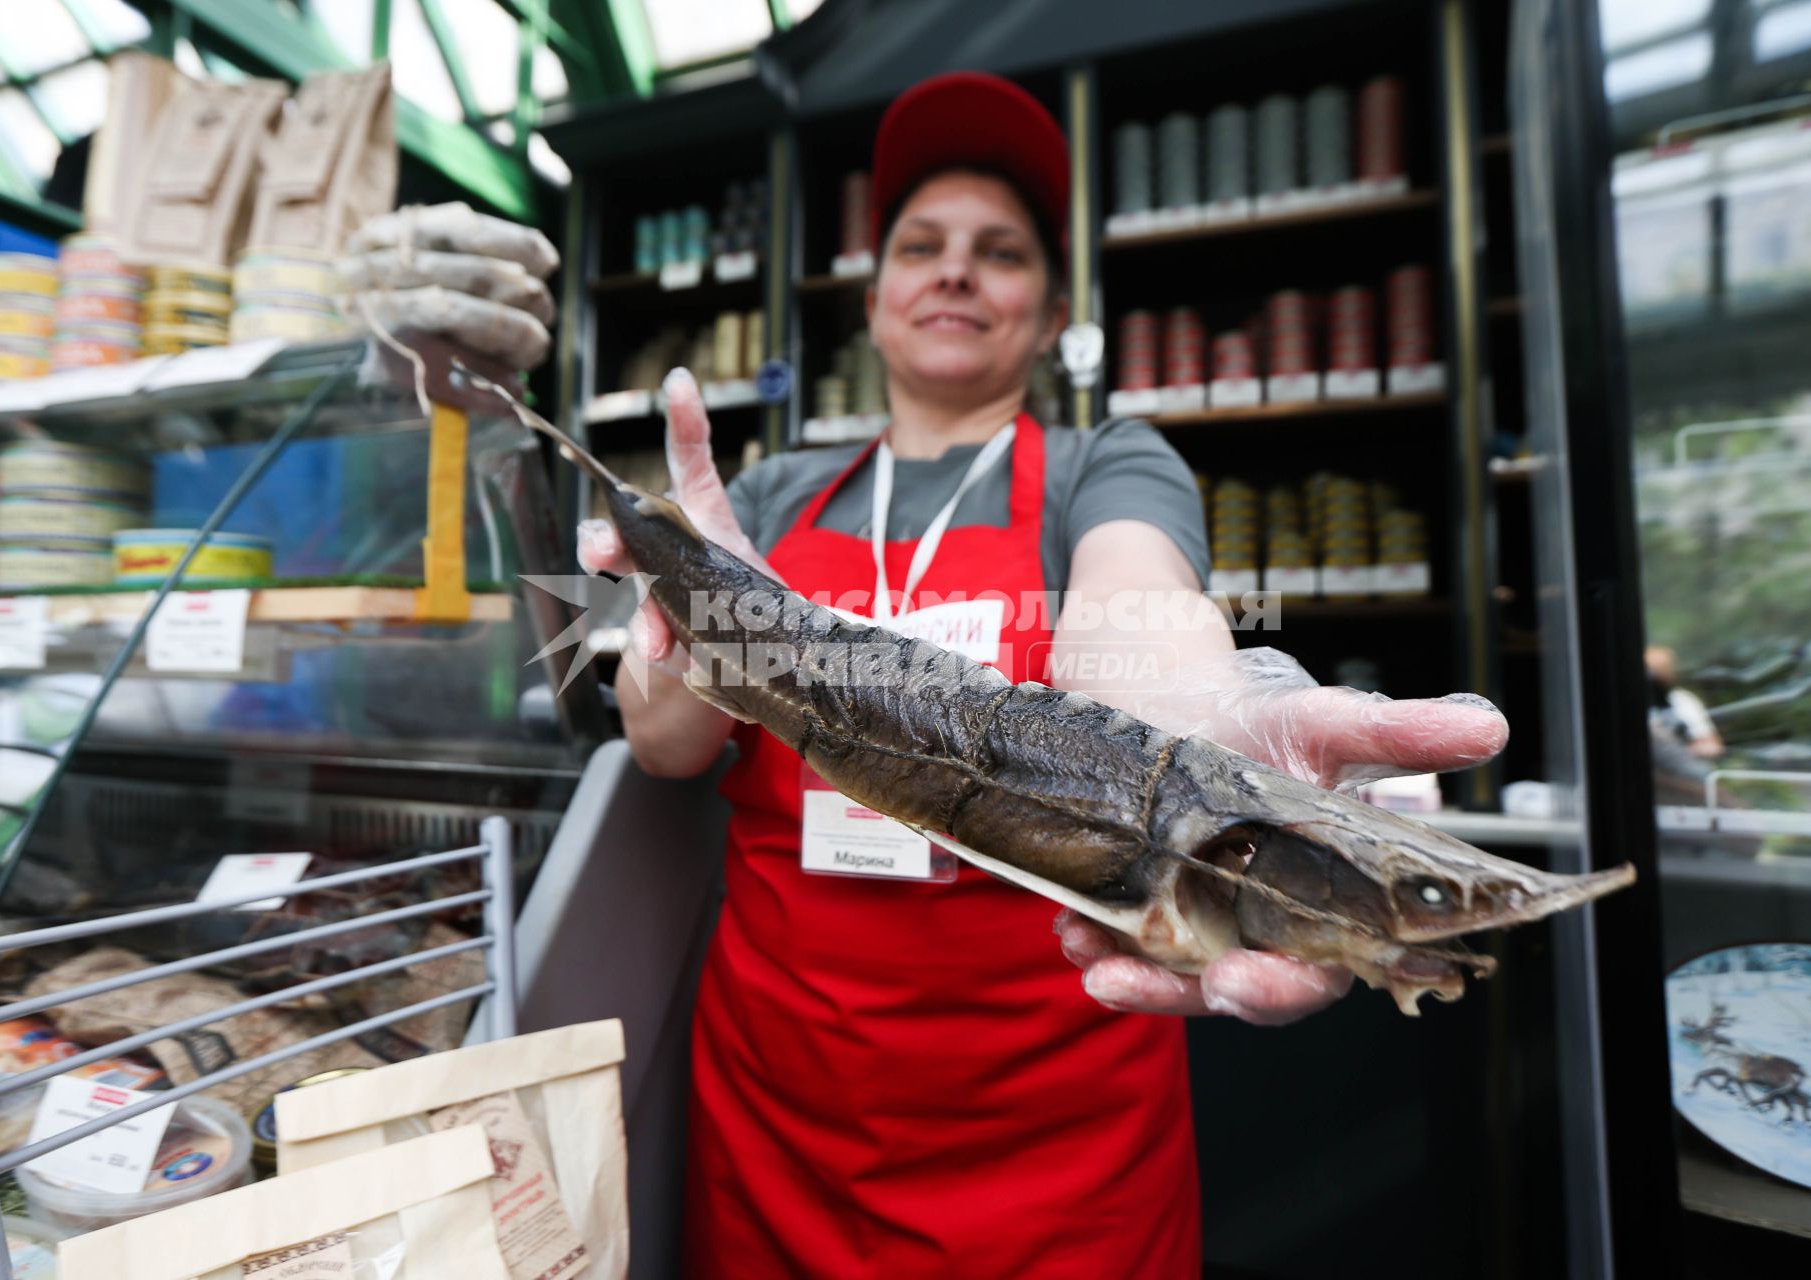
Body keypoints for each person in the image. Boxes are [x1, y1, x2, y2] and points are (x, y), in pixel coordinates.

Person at [578, 72, 1507, 1278]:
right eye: (923, 245)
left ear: (1051, 305)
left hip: (1057, 1136)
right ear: (876, 296)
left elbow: (1141, 620)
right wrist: (689, 608)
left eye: (999, 251)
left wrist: (1201, 721)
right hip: (784, 1106)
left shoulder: (1101, 465)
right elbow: (667, 746)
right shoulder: (764, 496)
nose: (956, 271)